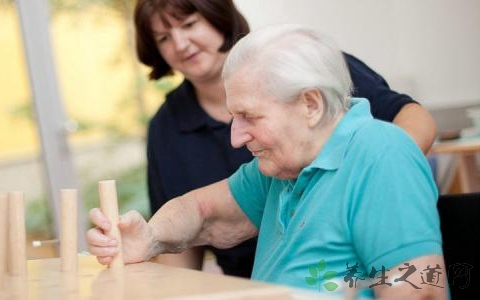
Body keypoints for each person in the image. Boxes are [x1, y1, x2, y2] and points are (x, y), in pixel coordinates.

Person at [87, 24, 446, 299]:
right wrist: (150, 238)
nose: (235, 137)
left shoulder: (381, 154)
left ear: (310, 104)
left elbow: (419, 289)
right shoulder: (282, 168)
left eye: (249, 117)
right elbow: (201, 212)